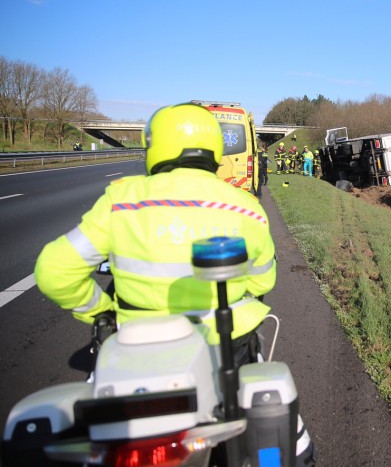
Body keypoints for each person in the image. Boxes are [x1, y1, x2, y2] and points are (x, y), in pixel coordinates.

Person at [34, 102, 276, 366]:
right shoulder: (247, 208)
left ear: (156, 144)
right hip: (225, 344)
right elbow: (262, 281)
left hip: (137, 344)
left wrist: (103, 312)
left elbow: (54, 271)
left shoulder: (121, 200)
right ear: (216, 146)